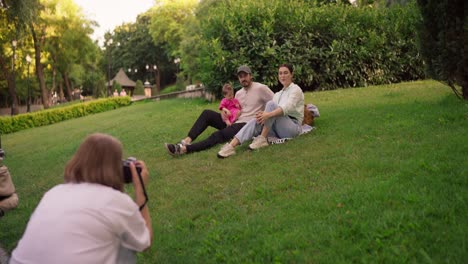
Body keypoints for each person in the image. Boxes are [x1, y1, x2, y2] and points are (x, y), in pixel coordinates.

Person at [10, 133, 152, 264]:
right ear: (115, 168)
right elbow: (145, 242)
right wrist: (141, 191)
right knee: (125, 249)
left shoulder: (54, 192)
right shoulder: (115, 201)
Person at [164, 65, 274, 156]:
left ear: (251, 76)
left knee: (217, 135)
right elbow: (233, 107)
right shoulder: (239, 93)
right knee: (207, 114)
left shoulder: (261, 88)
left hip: (246, 125)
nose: (243, 78)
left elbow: (275, 103)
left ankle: (184, 149)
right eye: (240, 76)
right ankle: (187, 140)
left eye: (245, 75)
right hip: (233, 121)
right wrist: (224, 113)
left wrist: (266, 116)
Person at [217, 63, 304, 158]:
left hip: (292, 127)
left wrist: (268, 114)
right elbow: (272, 112)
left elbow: (288, 108)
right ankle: (230, 147)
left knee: (270, 105)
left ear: (291, 74)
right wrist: (263, 115)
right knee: (256, 119)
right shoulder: (278, 94)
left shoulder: (296, 89)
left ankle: (262, 139)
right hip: (277, 127)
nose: (282, 76)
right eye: (280, 73)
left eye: (285, 73)